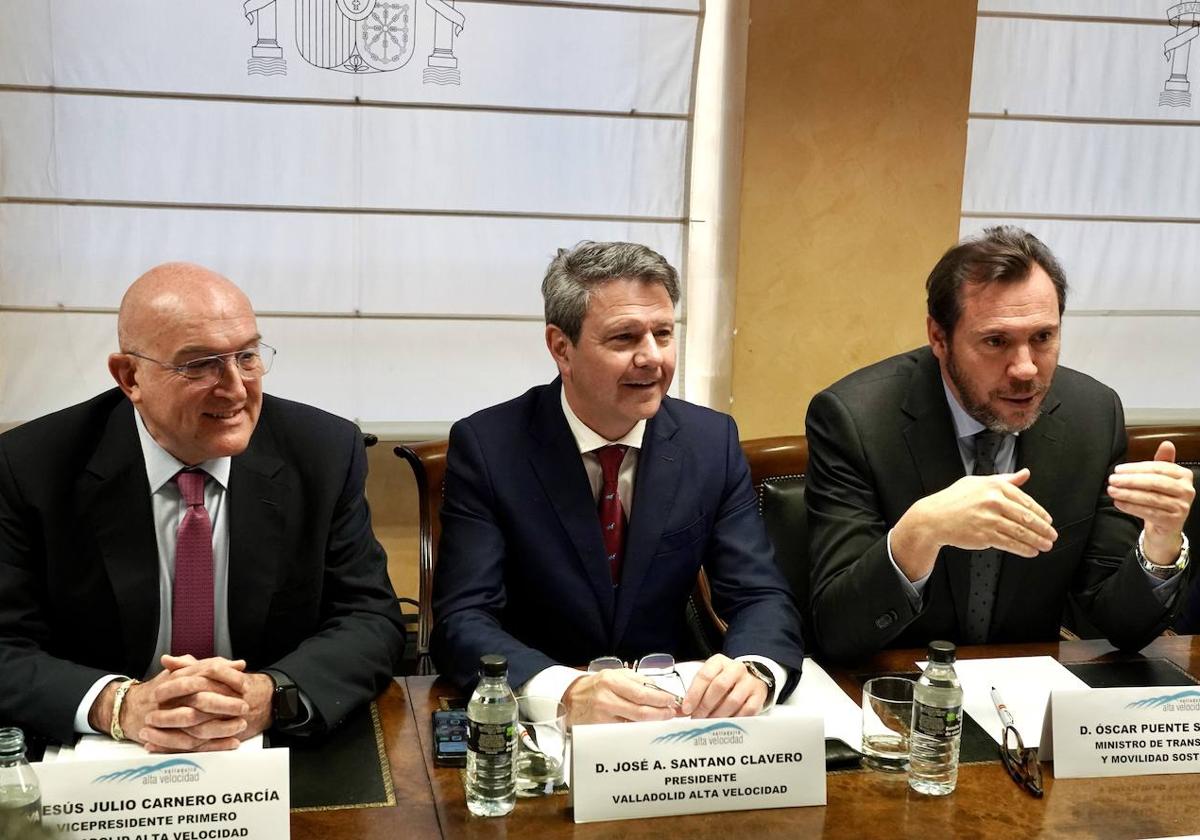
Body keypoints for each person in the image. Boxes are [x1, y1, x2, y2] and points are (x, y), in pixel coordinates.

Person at [0, 263, 405, 751]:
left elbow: (370, 618)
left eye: (247, 356)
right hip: (107, 751)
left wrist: (271, 694)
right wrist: (120, 706)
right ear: (130, 376)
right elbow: (6, 644)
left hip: (268, 743)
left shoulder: (323, 451)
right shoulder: (32, 467)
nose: (235, 388)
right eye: (200, 364)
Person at [431, 241, 805, 725]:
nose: (652, 358)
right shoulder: (489, 448)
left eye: (664, 334)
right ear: (561, 348)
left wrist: (756, 669)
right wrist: (563, 690)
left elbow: (759, 595)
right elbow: (464, 618)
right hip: (539, 723)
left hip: (672, 718)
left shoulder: (709, 441)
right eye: (625, 338)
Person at [806, 226, 1194, 661]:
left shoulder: (1092, 416)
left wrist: (1161, 541)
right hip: (892, 685)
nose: (1026, 368)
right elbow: (836, 630)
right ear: (938, 337)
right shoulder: (856, 420)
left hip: (1027, 691)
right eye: (996, 341)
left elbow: (1118, 627)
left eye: (1043, 337)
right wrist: (919, 533)